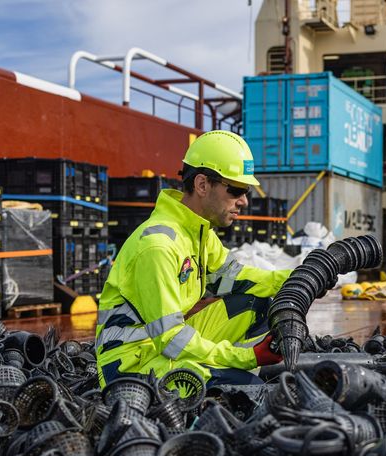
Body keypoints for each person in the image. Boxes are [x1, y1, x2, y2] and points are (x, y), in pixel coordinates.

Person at [95, 130, 291, 388]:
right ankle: (234, 374)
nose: (243, 201)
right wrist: (245, 357)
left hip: (159, 347)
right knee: (248, 391)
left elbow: (239, 279)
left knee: (258, 302)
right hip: (130, 366)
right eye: (235, 190)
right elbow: (171, 337)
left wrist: (298, 278)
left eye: (246, 192)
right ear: (201, 185)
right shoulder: (159, 246)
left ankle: (231, 371)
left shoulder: (198, 233)